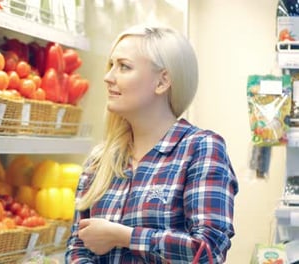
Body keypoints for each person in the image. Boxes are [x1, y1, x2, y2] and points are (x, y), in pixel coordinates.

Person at [65, 25, 238, 263]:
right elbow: (77, 248)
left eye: (124, 67)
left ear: (162, 81)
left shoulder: (200, 149)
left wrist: (124, 236)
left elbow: (208, 251)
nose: (108, 77)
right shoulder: (99, 160)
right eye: (110, 66)